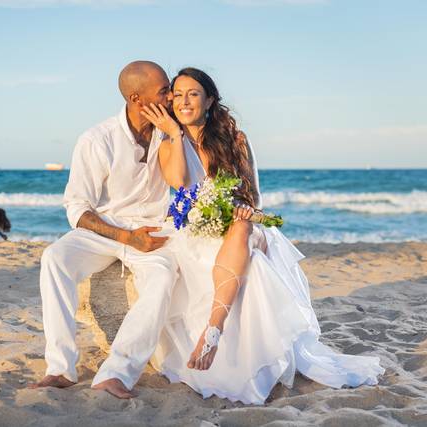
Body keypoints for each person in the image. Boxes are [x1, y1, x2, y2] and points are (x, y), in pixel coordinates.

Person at [141, 67, 384, 404]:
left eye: (193, 94)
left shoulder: (235, 139)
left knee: (241, 229)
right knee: (232, 247)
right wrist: (174, 135)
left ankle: (213, 330)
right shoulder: (168, 144)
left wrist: (240, 211)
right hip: (196, 228)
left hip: (244, 224)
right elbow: (181, 184)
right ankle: (216, 334)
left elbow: (253, 196)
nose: (184, 102)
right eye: (177, 95)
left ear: (209, 100)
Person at [30, 60, 178, 399]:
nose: (171, 97)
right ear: (137, 99)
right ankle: (60, 368)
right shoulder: (98, 139)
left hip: (155, 230)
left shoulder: (171, 131)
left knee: (163, 277)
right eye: (164, 91)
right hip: (106, 230)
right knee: (54, 259)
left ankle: (116, 373)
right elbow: (77, 207)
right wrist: (125, 237)